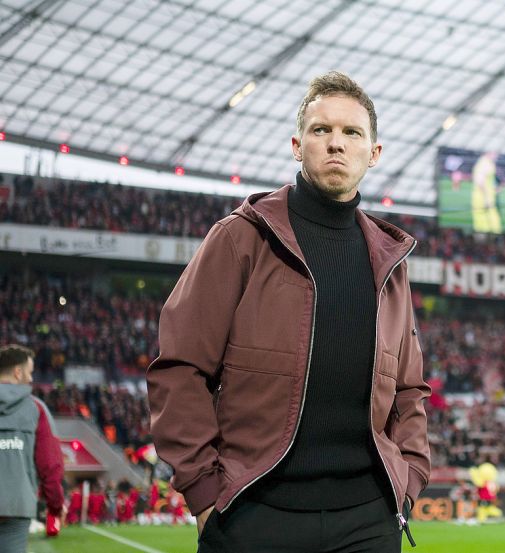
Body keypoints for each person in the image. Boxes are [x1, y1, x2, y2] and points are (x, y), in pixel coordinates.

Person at [147, 71, 431, 553]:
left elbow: (409, 389)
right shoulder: (241, 238)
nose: (336, 144)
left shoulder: (390, 261)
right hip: (254, 514)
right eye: (322, 131)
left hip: (368, 520)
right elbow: (180, 367)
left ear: (374, 154)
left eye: (351, 133)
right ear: (298, 145)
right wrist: (203, 495)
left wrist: (410, 477)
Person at [0, 344, 65, 553]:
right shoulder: (36, 409)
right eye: (29, 372)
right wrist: (55, 506)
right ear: (18, 373)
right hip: (16, 507)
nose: (30, 379)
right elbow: (50, 465)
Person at [471, 151, 502, 233]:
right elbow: (480, 182)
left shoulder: (488, 163)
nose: (497, 155)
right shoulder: (483, 163)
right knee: (483, 222)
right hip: (482, 199)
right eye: (495, 152)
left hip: (487, 198)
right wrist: (486, 198)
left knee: (491, 221)